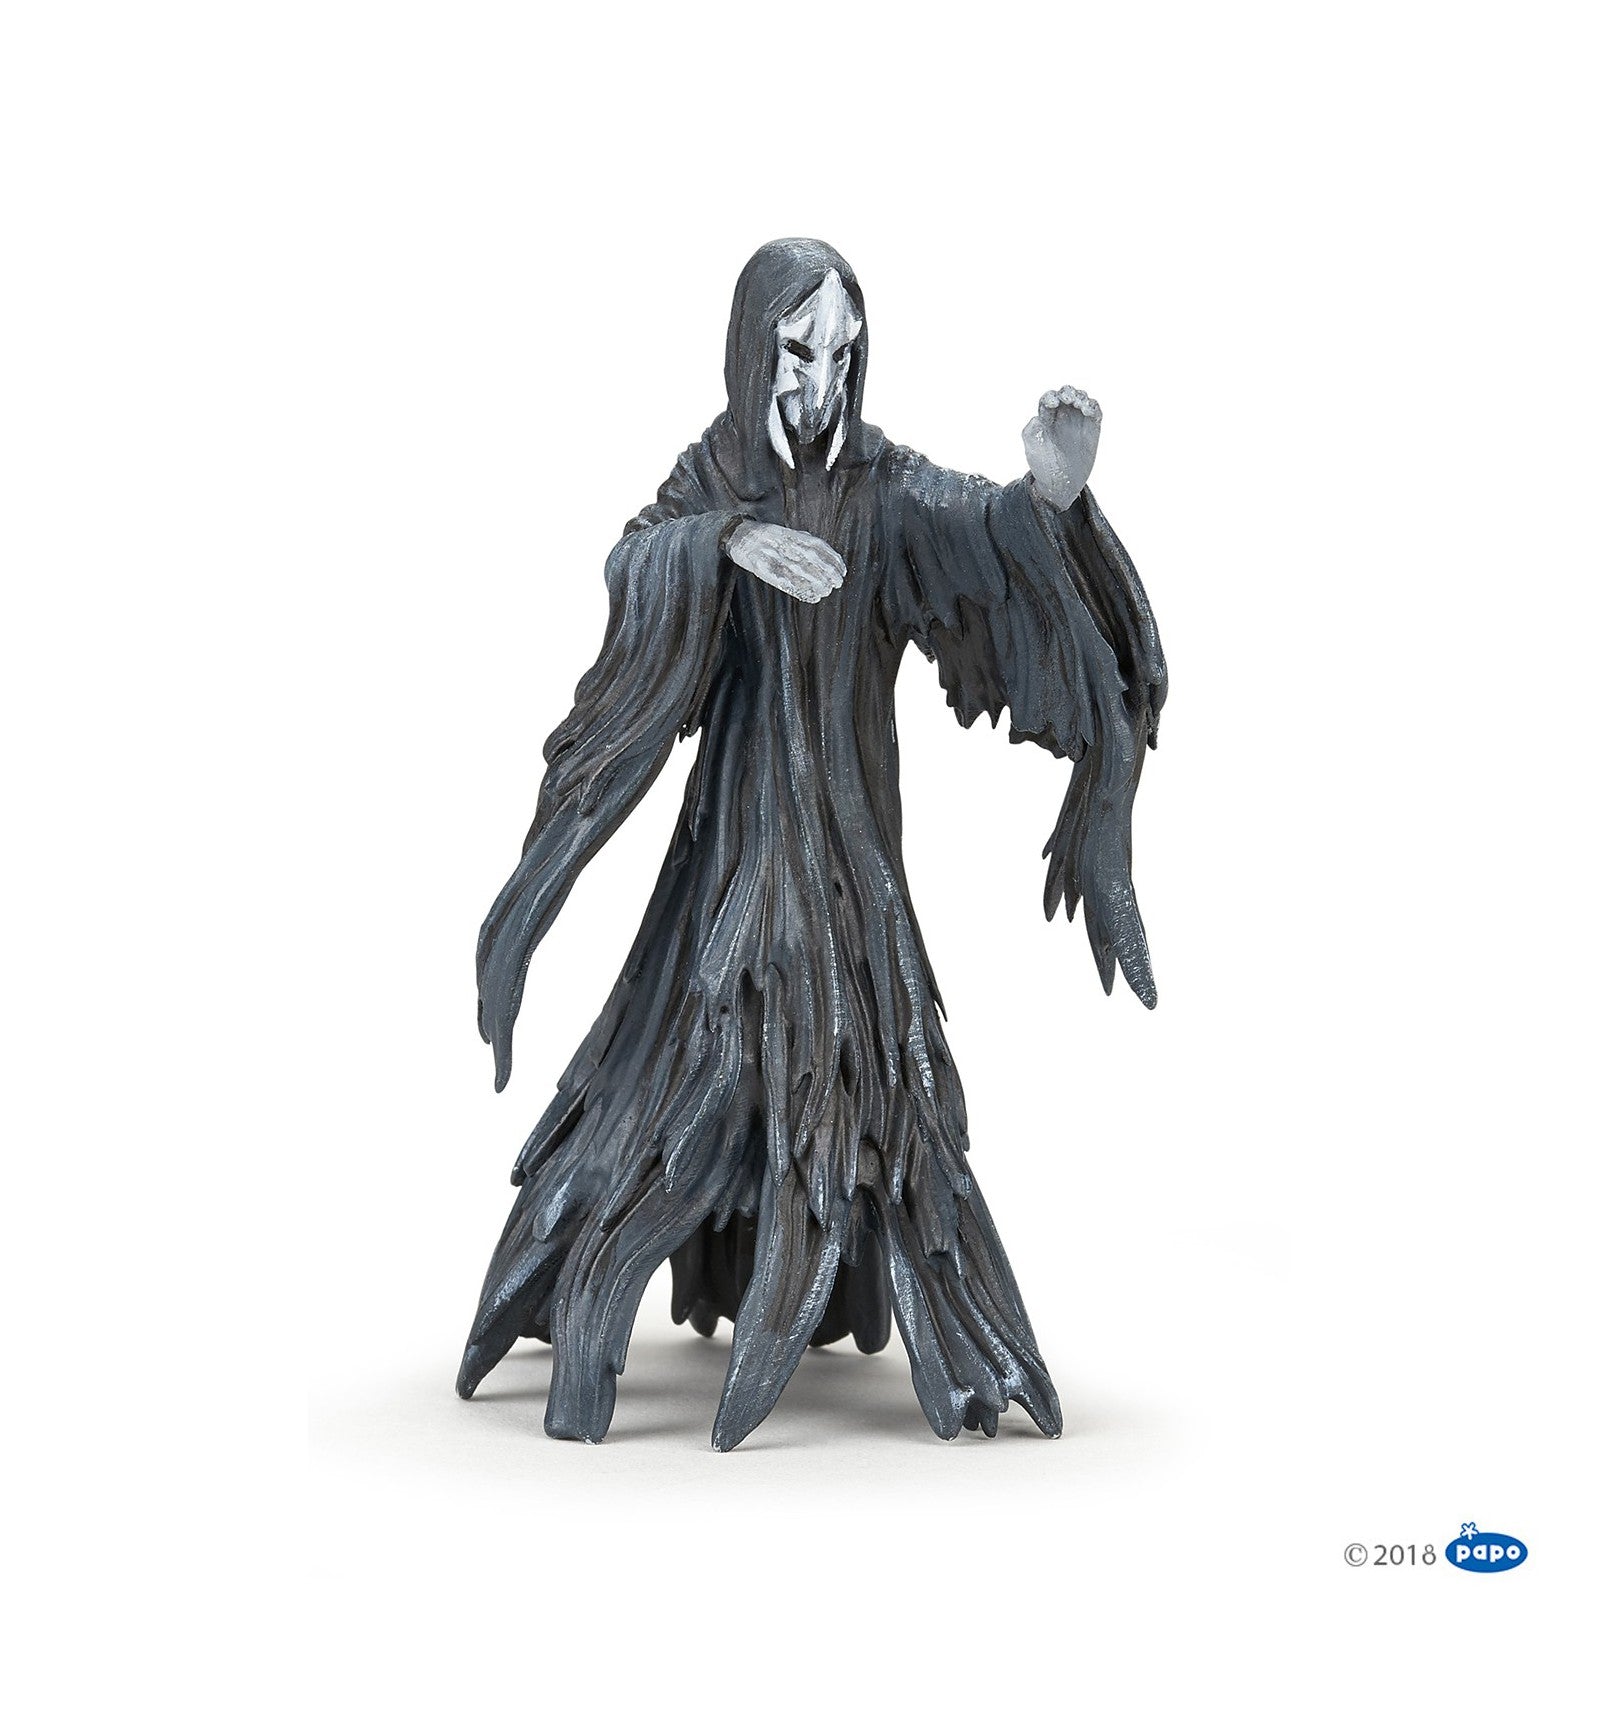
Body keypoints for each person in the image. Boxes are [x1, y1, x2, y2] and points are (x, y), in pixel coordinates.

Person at [459, 237, 1166, 1448]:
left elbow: (972, 529)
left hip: (850, 852)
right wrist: (724, 545)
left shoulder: (881, 486)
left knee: (871, 1071)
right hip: (731, 850)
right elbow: (636, 553)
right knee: (684, 1056)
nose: (820, 378)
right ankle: (594, 1288)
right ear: (754, 348)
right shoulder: (713, 471)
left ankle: (945, 1326)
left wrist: (1046, 497)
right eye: (797, 350)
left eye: (842, 351)